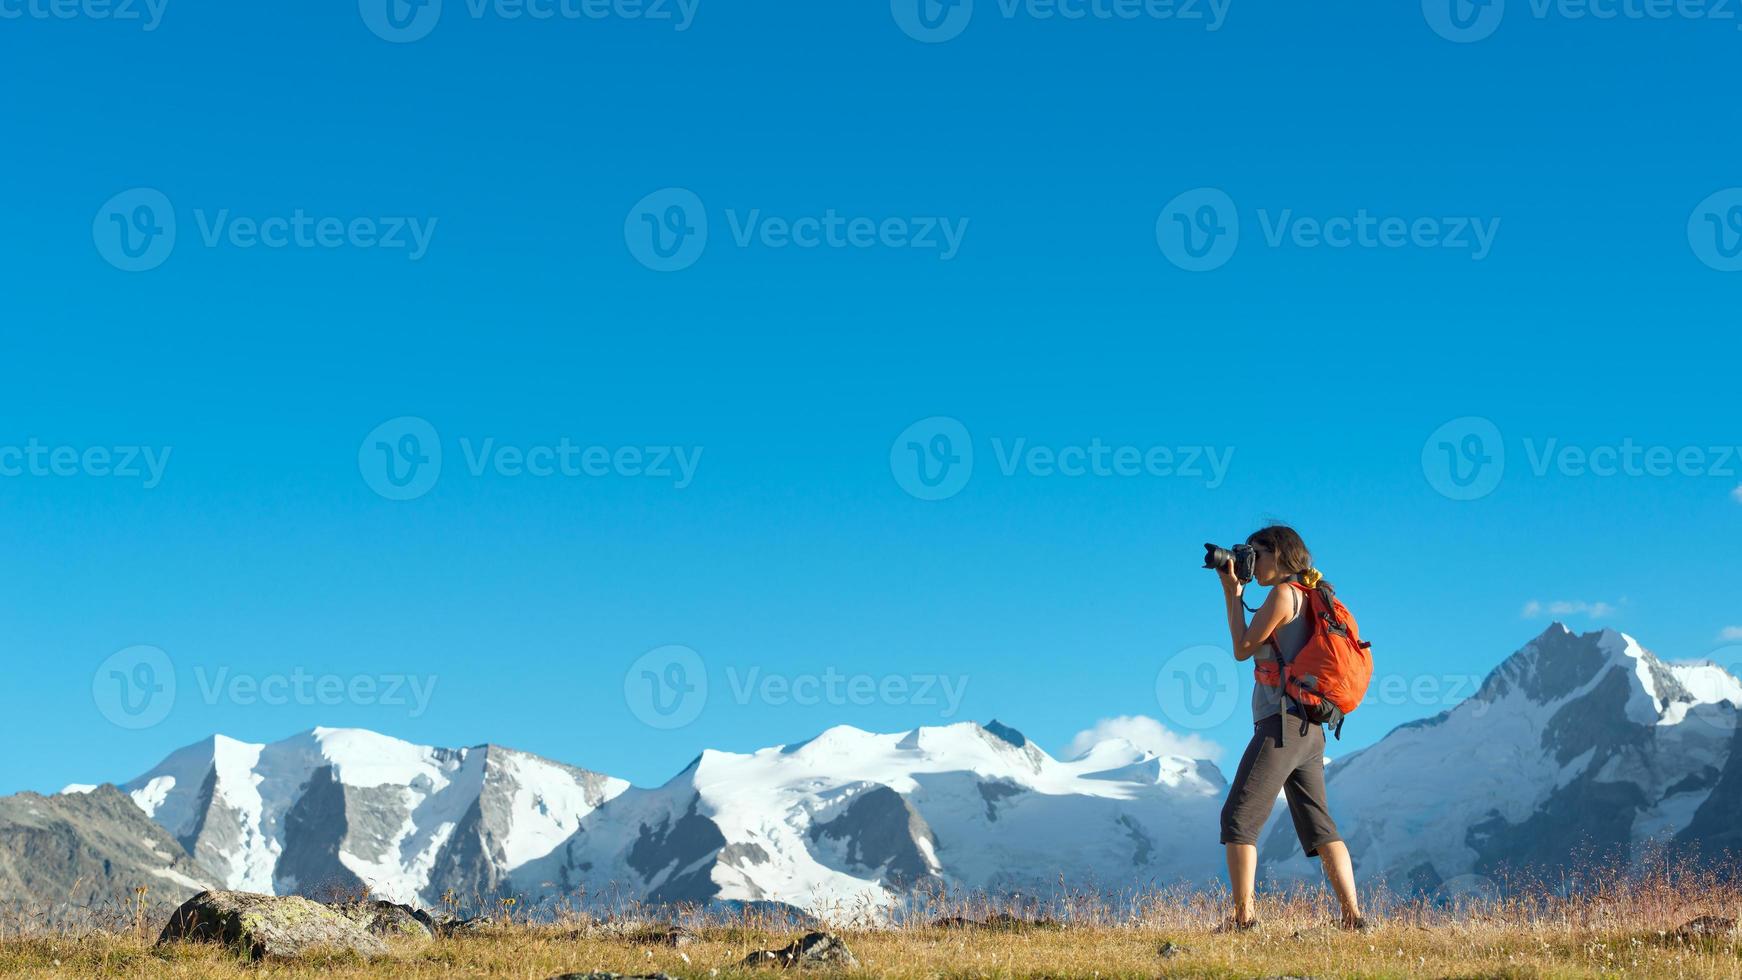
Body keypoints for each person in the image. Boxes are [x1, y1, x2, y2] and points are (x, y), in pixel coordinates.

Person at [1212, 524, 1366, 932]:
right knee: (1320, 827)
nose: (1251, 562)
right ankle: (1353, 918)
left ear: (1277, 554)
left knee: (1238, 820)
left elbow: (1242, 649)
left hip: (1281, 724)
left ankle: (1244, 921)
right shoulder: (1313, 597)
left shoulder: (1283, 595)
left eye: (1255, 553)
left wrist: (1232, 592)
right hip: (1311, 730)